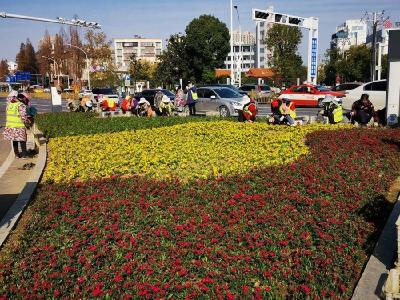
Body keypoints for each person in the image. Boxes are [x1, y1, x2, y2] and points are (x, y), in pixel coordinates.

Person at [3, 91, 29, 159]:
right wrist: (27, 122)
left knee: (14, 140)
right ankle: (24, 155)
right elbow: (23, 116)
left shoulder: (8, 105)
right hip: (19, 125)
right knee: (22, 140)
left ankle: (16, 154)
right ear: (16, 97)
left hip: (10, 126)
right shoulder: (20, 105)